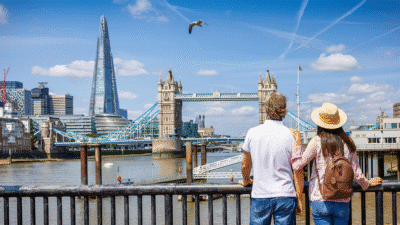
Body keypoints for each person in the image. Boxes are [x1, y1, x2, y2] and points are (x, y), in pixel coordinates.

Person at [292, 102, 383, 224]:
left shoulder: (316, 141)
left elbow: (297, 165)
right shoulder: (347, 142)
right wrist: (367, 183)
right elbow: (356, 173)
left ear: (320, 123)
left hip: (320, 199)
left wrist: (297, 144)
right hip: (342, 199)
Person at [240, 92, 297, 225]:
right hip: (285, 194)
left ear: (266, 109)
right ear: (284, 110)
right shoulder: (291, 135)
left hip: (260, 194)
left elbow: (245, 164)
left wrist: (246, 180)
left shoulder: (252, 132)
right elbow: (297, 168)